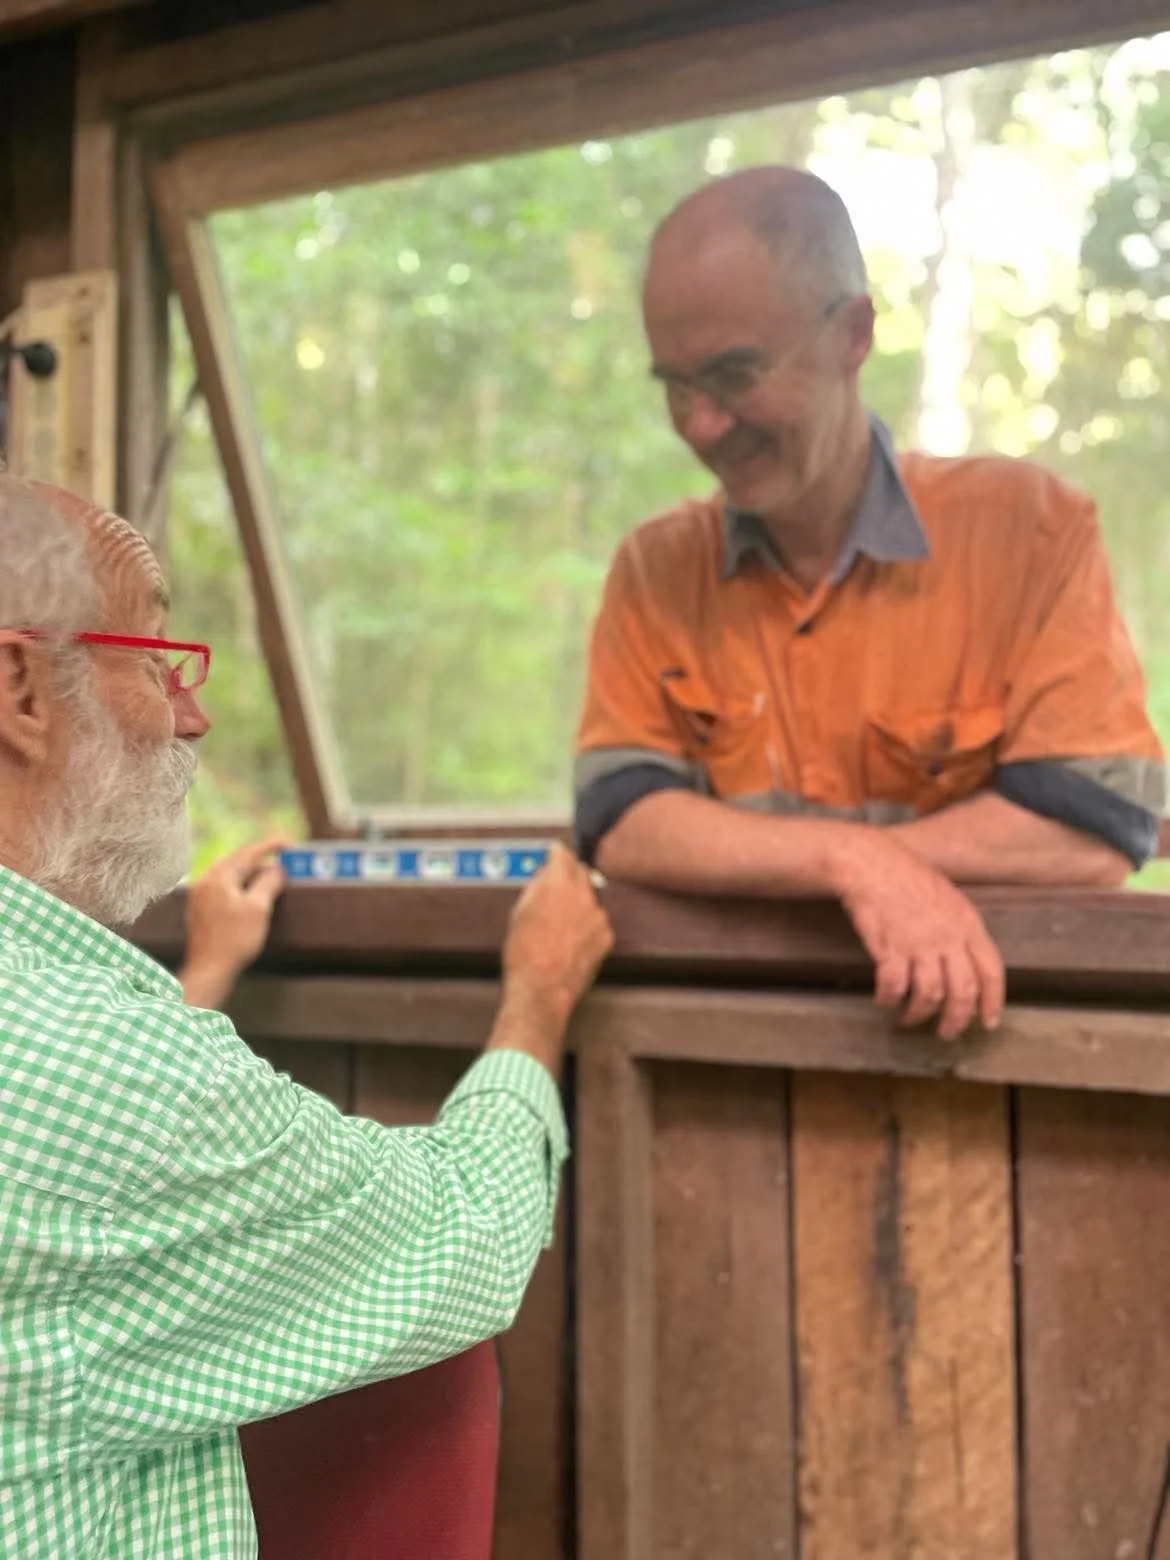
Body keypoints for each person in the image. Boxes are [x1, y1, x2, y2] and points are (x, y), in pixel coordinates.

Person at [0, 475, 612, 1559]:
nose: (195, 713)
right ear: (22, 692)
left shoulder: (63, 1058)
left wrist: (202, 976)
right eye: (157, 659)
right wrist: (538, 993)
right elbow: (466, 1230)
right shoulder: (112, 1082)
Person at [575, 166, 1164, 1041]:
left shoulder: (1031, 530)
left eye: (734, 375)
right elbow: (621, 823)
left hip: (996, 1046)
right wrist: (848, 862)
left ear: (853, 333)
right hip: (730, 1048)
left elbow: (1092, 824)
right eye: (676, 385)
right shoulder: (653, 570)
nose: (700, 425)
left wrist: (839, 866)